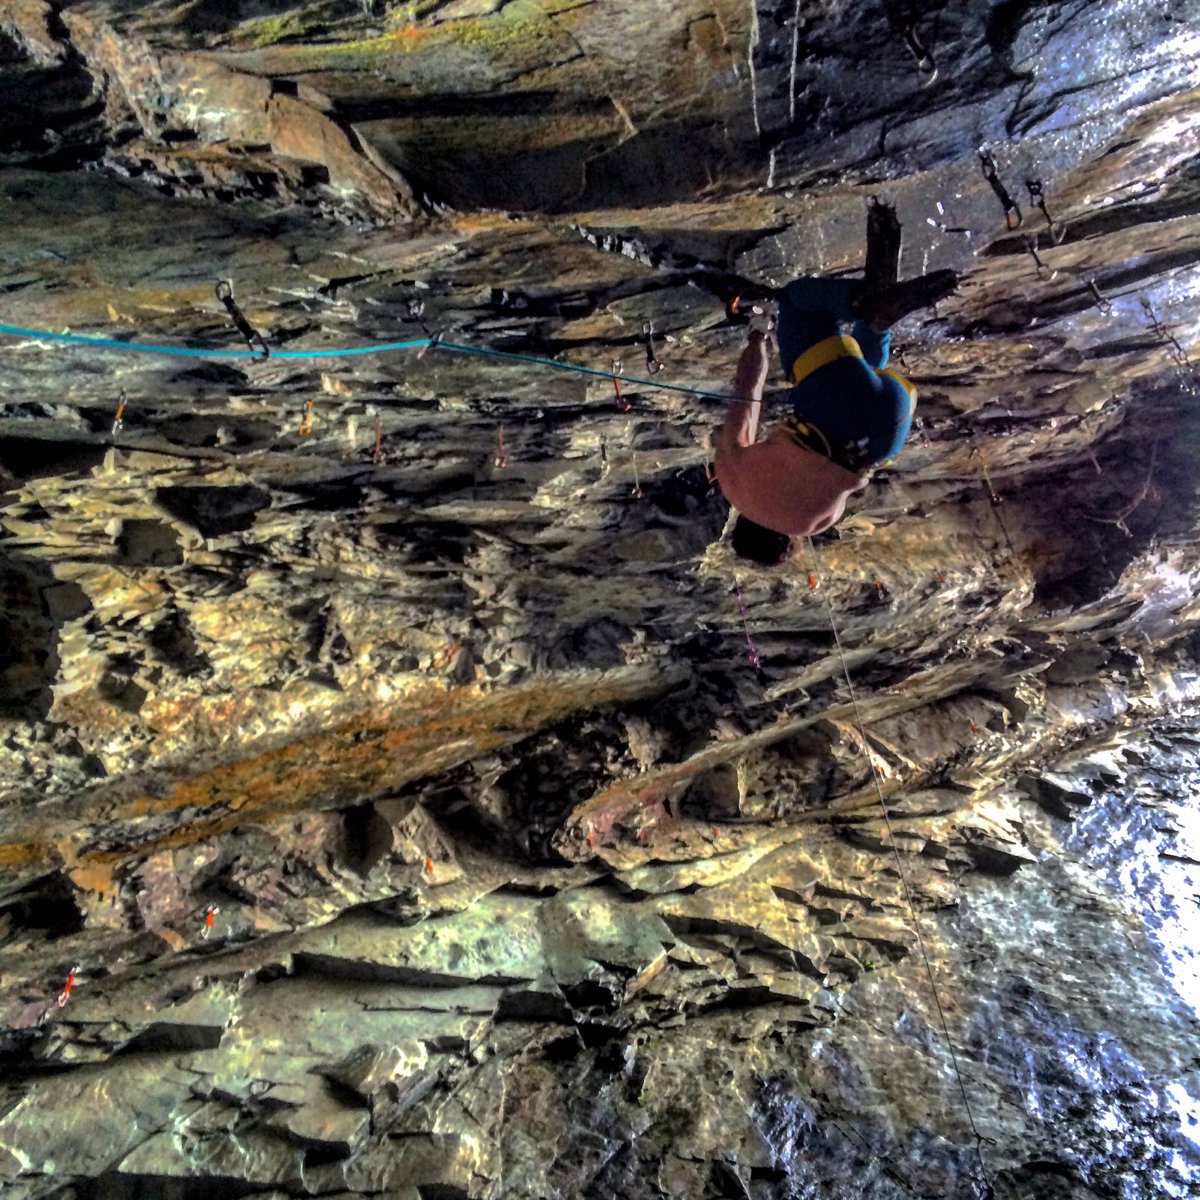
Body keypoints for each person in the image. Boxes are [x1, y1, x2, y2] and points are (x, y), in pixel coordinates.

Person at [714, 212, 957, 564]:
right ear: (740, 524)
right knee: (797, 304)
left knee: (864, 367)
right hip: (835, 407)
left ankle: (877, 319)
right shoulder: (734, 484)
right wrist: (757, 335)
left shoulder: (815, 524)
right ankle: (863, 300)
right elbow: (747, 395)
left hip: (889, 427)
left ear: (785, 539)